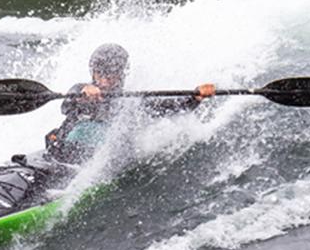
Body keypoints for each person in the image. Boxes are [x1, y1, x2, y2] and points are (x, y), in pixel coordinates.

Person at [44, 43, 216, 163]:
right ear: (93, 72)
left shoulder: (133, 101)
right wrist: (83, 94)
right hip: (61, 152)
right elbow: (66, 106)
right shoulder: (81, 91)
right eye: (99, 74)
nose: (103, 80)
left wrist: (195, 97)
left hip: (92, 160)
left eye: (110, 74)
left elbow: (173, 107)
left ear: (121, 74)